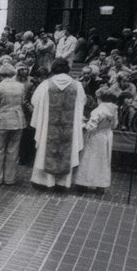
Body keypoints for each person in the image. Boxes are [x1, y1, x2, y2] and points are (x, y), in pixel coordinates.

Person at [29, 58, 87, 190]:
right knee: (67, 150)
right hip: (68, 129)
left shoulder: (46, 84)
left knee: (45, 148)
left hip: (48, 129)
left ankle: (43, 181)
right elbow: (82, 102)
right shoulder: (77, 85)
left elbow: (35, 101)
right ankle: (62, 183)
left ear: (54, 68)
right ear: (68, 69)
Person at [0, 63, 27, 186]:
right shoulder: (21, 86)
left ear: (1, 74)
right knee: (13, 149)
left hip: (2, 119)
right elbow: (22, 102)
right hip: (17, 119)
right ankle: (10, 178)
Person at [75, 90, 119, 193]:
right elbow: (114, 125)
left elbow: (91, 127)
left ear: (100, 99)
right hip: (107, 135)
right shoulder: (114, 110)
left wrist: (82, 123)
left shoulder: (98, 110)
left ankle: (84, 183)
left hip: (96, 136)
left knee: (90, 158)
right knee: (103, 160)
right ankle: (101, 185)